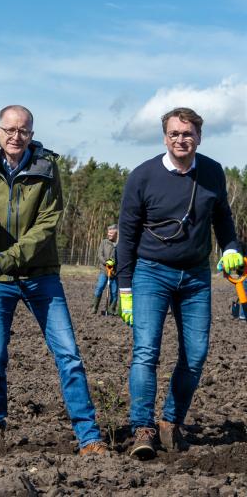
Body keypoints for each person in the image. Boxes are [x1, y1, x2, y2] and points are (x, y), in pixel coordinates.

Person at [0, 104, 106, 456]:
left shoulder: (47, 168)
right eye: (11, 130)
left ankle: (89, 437)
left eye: (25, 131)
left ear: (32, 134)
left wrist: (8, 258)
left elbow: (47, 225)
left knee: (69, 356)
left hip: (40, 275)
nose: (17, 137)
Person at [117, 107, 242, 460]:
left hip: (196, 278)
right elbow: (126, 237)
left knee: (196, 355)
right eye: (174, 134)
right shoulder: (142, 176)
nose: (181, 139)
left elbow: (224, 222)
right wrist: (125, 289)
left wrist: (232, 248)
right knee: (145, 353)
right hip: (151, 273)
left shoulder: (213, 172)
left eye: (187, 134)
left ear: (199, 138)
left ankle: (171, 421)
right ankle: (143, 428)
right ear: (164, 137)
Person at [92, 224, 119, 315]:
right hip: (104, 271)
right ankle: (94, 307)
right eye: (108, 233)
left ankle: (111, 310)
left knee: (114, 292)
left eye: (111, 233)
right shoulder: (104, 242)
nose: (109, 234)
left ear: (116, 233)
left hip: (115, 273)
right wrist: (106, 263)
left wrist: (114, 263)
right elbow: (100, 255)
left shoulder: (119, 244)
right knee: (99, 287)